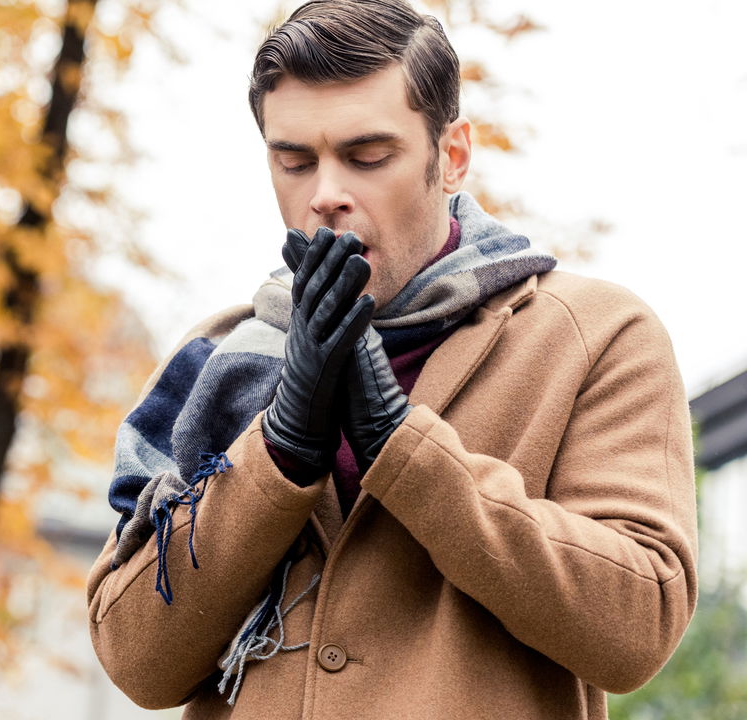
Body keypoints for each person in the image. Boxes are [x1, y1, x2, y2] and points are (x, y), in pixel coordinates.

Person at [85, 1, 698, 718]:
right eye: (293, 161)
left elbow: (637, 629)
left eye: (367, 157)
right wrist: (279, 450)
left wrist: (401, 447)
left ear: (453, 156)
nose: (326, 196)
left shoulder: (595, 335)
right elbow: (138, 665)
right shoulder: (220, 355)